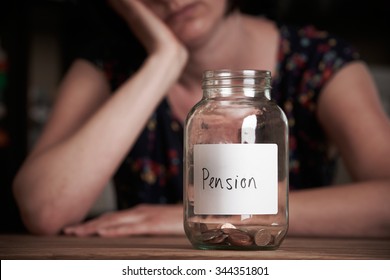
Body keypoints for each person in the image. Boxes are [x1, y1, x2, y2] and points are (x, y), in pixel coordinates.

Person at [13, 0, 390, 238]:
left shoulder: (318, 60)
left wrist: (191, 215)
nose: (173, 1)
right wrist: (164, 60)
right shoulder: (105, 67)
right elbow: (44, 209)